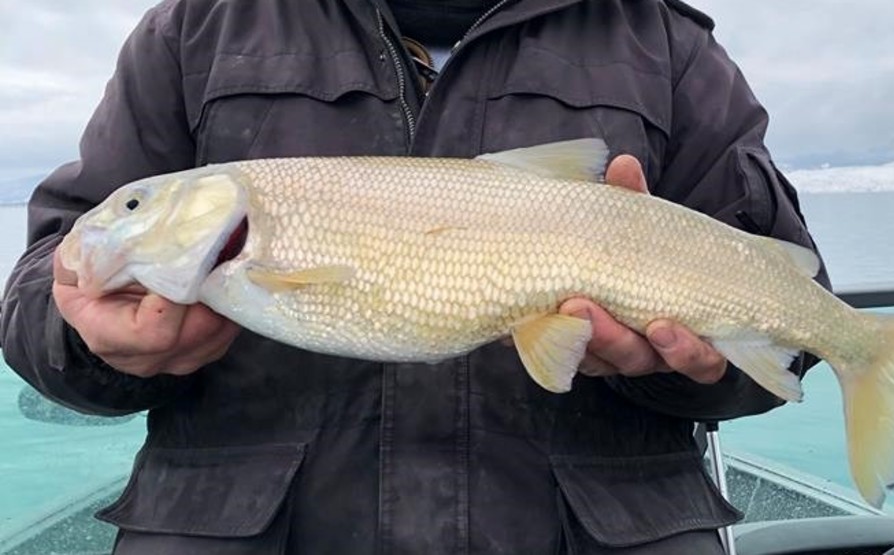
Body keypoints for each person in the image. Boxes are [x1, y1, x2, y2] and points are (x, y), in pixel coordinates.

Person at [0, 0, 830, 553]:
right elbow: (45, 281)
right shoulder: (197, 27)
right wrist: (87, 336)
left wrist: (687, 374)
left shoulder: (665, 41)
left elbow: (792, 326)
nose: (125, 218)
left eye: (142, 208)